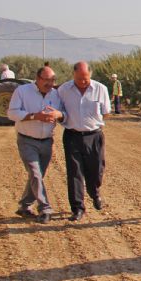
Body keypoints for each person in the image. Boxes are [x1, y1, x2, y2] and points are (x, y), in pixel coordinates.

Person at [7, 65, 65, 224]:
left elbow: (64, 114)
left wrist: (58, 114)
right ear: (38, 79)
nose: (50, 83)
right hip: (27, 140)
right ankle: (45, 208)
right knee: (35, 173)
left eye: (53, 80)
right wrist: (35, 116)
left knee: (37, 175)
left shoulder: (56, 94)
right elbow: (12, 113)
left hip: (47, 141)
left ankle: (24, 206)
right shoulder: (22, 91)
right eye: (47, 80)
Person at [58, 61, 111, 222]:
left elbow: (106, 112)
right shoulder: (63, 90)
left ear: (90, 75)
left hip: (94, 136)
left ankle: (94, 193)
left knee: (96, 169)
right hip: (72, 136)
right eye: (79, 78)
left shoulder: (101, 89)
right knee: (75, 172)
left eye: (85, 78)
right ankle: (77, 208)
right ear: (73, 75)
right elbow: (60, 111)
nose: (82, 81)